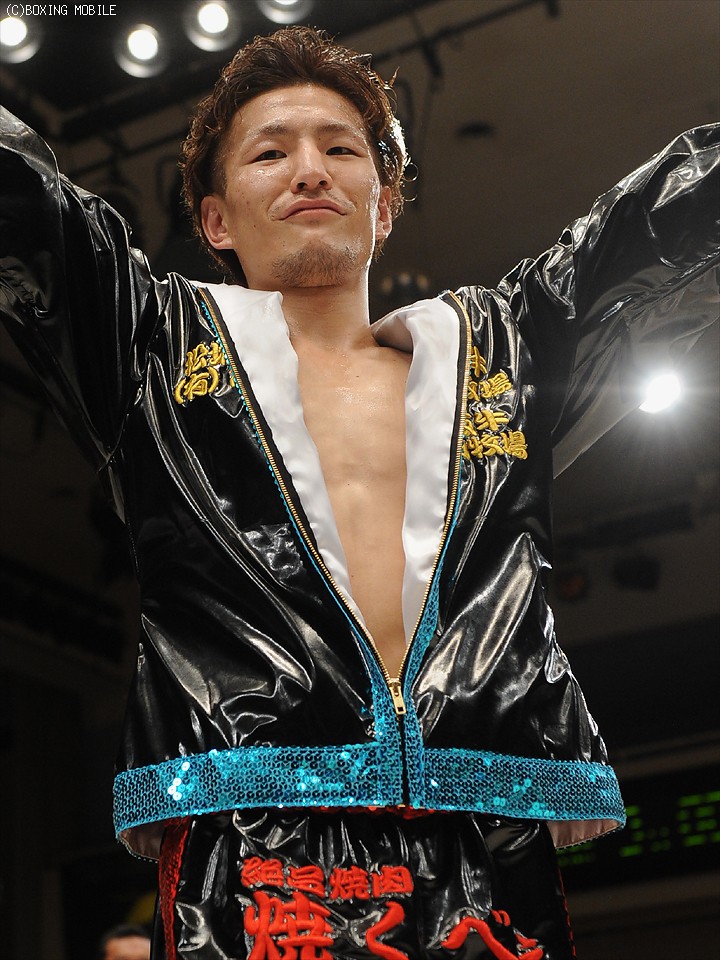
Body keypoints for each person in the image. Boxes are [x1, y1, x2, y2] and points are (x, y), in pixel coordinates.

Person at [1, 24, 718, 960]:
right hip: (257, 841)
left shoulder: (499, 351)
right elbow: (24, 205)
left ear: (381, 208)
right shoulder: (150, 347)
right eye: (271, 153)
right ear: (215, 221)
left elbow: (654, 227)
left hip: (482, 834)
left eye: (341, 149)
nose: (310, 169)